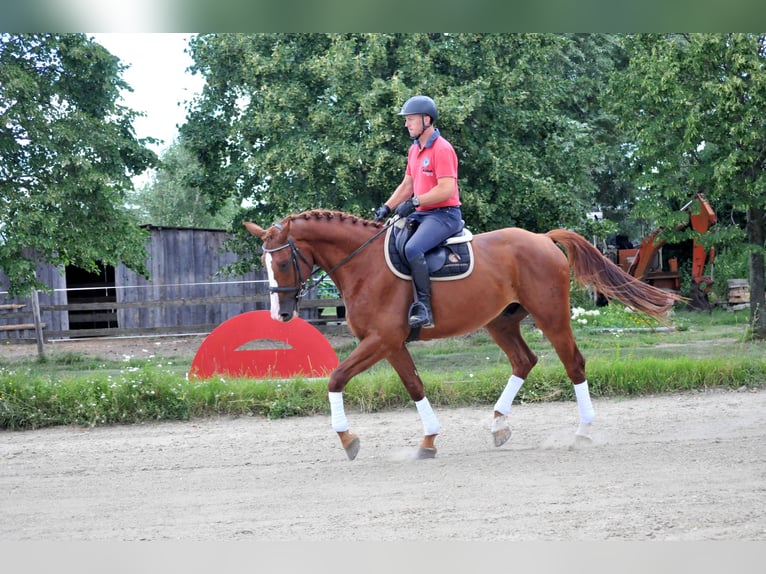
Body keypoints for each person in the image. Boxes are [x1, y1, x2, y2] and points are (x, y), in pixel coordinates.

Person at [373, 95, 463, 328]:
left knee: (413, 248)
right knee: (389, 241)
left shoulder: (442, 149)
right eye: (406, 120)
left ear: (426, 119)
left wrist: (415, 202)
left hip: (445, 215)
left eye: (410, 119)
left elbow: (446, 189)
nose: (406, 124)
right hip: (422, 214)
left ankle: (424, 307)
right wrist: (387, 206)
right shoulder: (415, 150)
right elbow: (407, 185)